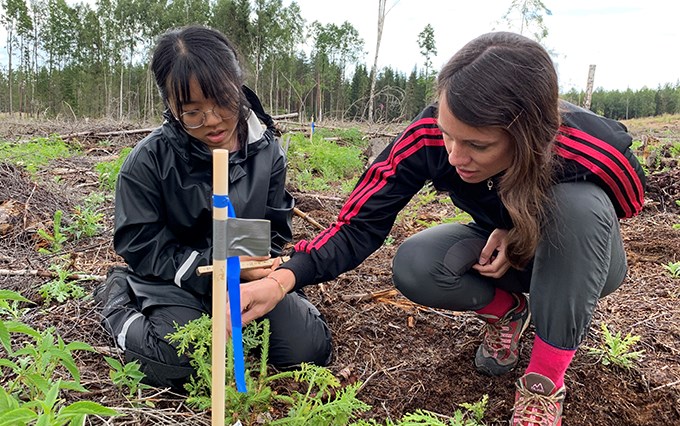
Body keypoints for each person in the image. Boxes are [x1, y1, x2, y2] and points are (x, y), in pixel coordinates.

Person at [238, 31, 645, 425]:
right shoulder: (429, 136)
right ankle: (510, 314)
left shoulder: (587, 148)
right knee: (416, 263)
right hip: (499, 252)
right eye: (449, 136)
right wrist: (285, 277)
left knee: (578, 203)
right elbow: (359, 222)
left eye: (477, 146)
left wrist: (526, 226)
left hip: (577, 260)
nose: (455, 156)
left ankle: (542, 385)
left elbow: (614, 214)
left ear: (527, 136)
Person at [94, 25, 332, 390]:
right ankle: (116, 295)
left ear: (237, 86)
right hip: (171, 279)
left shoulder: (266, 152)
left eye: (223, 101)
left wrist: (248, 269)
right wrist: (207, 271)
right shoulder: (148, 162)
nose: (215, 121)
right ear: (172, 108)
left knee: (307, 349)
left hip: (241, 274)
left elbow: (274, 229)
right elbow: (140, 243)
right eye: (193, 112)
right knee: (179, 363)